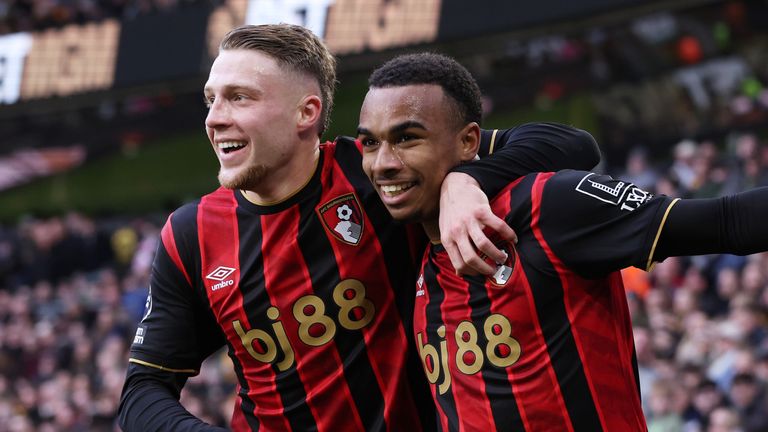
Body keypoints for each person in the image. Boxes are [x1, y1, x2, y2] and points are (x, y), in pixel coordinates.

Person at [117, 25, 600, 431]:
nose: (215, 119)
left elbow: (571, 144)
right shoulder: (190, 236)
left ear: (306, 113)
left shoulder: (378, 170)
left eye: (239, 98)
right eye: (211, 99)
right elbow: (143, 391)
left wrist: (466, 180)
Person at [358, 52, 768, 431]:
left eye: (408, 138)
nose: (384, 163)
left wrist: (468, 178)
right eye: (370, 142)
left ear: (469, 142)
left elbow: (727, 221)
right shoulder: (402, 247)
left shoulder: (546, 204)